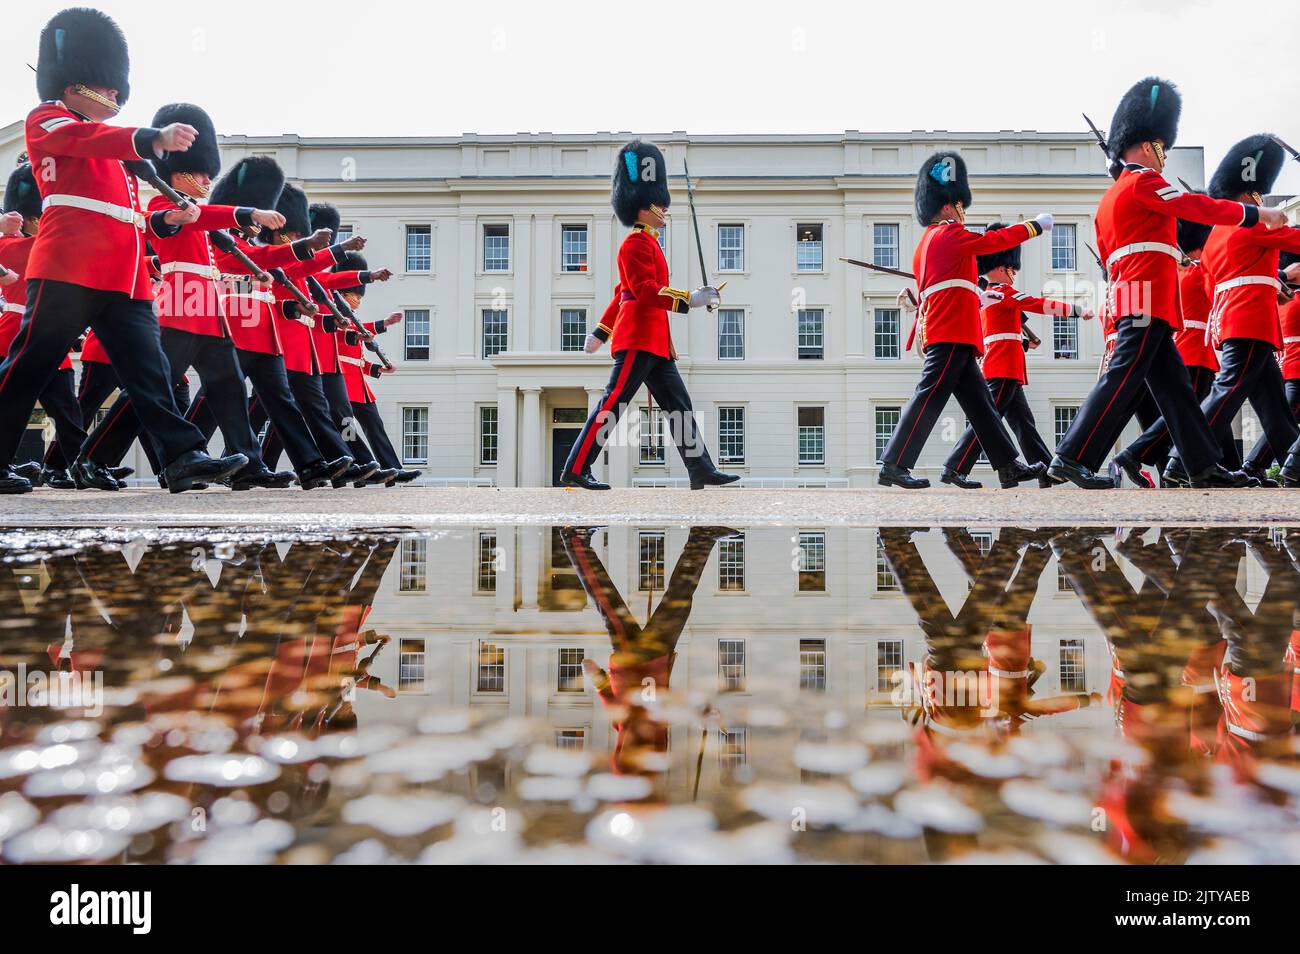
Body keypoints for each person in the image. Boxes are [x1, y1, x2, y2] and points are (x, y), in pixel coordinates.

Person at [0, 8, 246, 494]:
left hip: (123, 275)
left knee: (149, 372)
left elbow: (128, 214)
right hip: (69, 266)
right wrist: (147, 137)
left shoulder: (114, 151)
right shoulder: (48, 119)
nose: (115, 94)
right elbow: (81, 140)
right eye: (107, 85)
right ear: (77, 81)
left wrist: (162, 210)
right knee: (29, 367)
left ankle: (183, 456)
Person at [1049, 78, 1288, 489]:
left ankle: (1201, 465)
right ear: (1145, 146)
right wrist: (1255, 215)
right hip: (1146, 296)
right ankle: (1071, 455)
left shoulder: (1112, 197)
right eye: (1162, 148)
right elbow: (1194, 206)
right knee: (1122, 376)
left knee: (1177, 390)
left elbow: (1111, 258)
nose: (1164, 158)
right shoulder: (1143, 182)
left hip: (1139, 295)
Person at [76, 102, 294, 491]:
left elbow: (206, 219)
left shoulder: (195, 207)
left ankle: (249, 463)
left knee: (228, 387)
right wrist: (248, 213)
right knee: (152, 388)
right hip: (180, 305)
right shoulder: (163, 202)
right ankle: (92, 459)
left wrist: (238, 217)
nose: (207, 180)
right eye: (200, 173)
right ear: (179, 172)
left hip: (207, 308)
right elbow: (173, 221)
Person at [1116, 136, 1300, 489]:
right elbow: (1293, 240)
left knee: (1274, 403)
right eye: (1258, 193)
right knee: (1227, 390)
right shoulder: (1250, 223)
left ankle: (1292, 464)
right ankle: (1181, 458)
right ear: (1248, 194)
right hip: (1250, 318)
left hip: (1238, 318)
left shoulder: (1217, 233)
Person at [561, 140, 739, 491]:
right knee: (613, 402)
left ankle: (700, 469)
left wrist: (600, 331)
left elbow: (620, 293)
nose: (664, 209)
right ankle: (576, 467)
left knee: (678, 406)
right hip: (639, 337)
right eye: (659, 204)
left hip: (657, 342)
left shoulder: (650, 243)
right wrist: (691, 298)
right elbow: (641, 291)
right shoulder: (635, 244)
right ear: (642, 207)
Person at [877, 151, 1051, 489]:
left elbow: (951, 282)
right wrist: (1033, 227)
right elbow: (991, 242)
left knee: (982, 404)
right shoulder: (948, 234)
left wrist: (978, 295)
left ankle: (1008, 465)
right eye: (960, 206)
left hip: (954, 325)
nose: (962, 212)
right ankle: (894, 463)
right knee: (929, 394)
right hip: (950, 327)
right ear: (946, 206)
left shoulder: (929, 242)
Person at [190, 156, 353, 490]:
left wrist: (307, 247)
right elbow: (257, 262)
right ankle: (184, 454)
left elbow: (270, 258)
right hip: (234, 329)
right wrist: (307, 249)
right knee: (213, 401)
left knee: (281, 400)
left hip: (263, 333)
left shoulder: (249, 243)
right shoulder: (217, 237)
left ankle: (309, 464)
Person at [940, 223, 1093, 488]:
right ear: (1000, 268)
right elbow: (1038, 303)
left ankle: (1046, 472)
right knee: (988, 421)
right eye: (1011, 269)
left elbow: (999, 334)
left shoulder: (988, 297)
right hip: (1003, 367)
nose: (1013, 274)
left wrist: (1023, 343)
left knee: (1024, 424)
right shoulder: (1002, 293)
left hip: (1006, 363)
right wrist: (1075, 310)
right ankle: (955, 466)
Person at [1109, 210, 1222, 486]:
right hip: (1195, 350)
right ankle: (1141, 454)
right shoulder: (1197, 272)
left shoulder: (1179, 271)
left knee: (1191, 412)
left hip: (1187, 347)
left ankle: (1180, 463)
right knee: (1185, 410)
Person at [0, 162, 87, 489]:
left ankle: (77, 465)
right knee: (13, 408)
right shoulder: (9, 245)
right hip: (13, 335)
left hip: (51, 337)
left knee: (68, 413)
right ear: (33, 218)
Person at [332, 252, 420, 483]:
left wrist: (377, 370)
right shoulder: (333, 317)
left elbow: (357, 360)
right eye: (355, 296)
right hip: (340, 382)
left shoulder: (351, 319)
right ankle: (360, 470)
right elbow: (346, 340)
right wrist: (376, 327)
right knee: (347, 429)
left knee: (375, 428)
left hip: (358, 386)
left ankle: (392, 469)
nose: (358, 301)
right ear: (342, 294)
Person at [1242, 251, 1300, 475]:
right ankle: (1264, 464)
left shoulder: (1278, 298)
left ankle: (1258, 464)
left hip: (1284, 367)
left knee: (1282, 420)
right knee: (1282, 420)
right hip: (1295, 370)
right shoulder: (1293, 300)